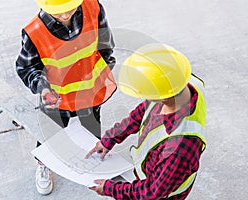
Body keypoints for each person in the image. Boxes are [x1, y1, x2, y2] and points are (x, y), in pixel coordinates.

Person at [15, 0, 116, 195]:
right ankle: (44, 164)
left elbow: (105, 43)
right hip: (56, 98)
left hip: (90, 90)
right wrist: (43, 89)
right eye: (58, 12)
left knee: (91, 128)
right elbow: (26, 67)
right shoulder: (34, 31)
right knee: (50, 134)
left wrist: (105, 65)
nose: (64, 15)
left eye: (69, 9)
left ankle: (92, 162)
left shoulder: (93, 7)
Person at [86, 43, 207, 199]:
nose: (144, 97)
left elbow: (152, 192)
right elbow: (143, 111)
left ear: (162, 96)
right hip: (156, 172)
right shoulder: (181, 82)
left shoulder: (178, 149)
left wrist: (111, 189)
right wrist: (110, 138)